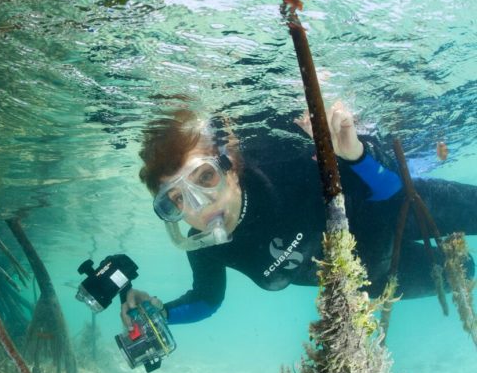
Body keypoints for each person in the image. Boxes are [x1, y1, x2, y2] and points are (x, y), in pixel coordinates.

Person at [120, 103, 477, 327]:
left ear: (230, 167)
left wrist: (354, 155)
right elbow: (206, 299)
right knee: (467, 272)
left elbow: (392, 191)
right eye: (177, 199)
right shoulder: (205, 246)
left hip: (396, 209)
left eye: (205, 177)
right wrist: (157, 315)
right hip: (380, 274)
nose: (200, 207)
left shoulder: (273, 158)